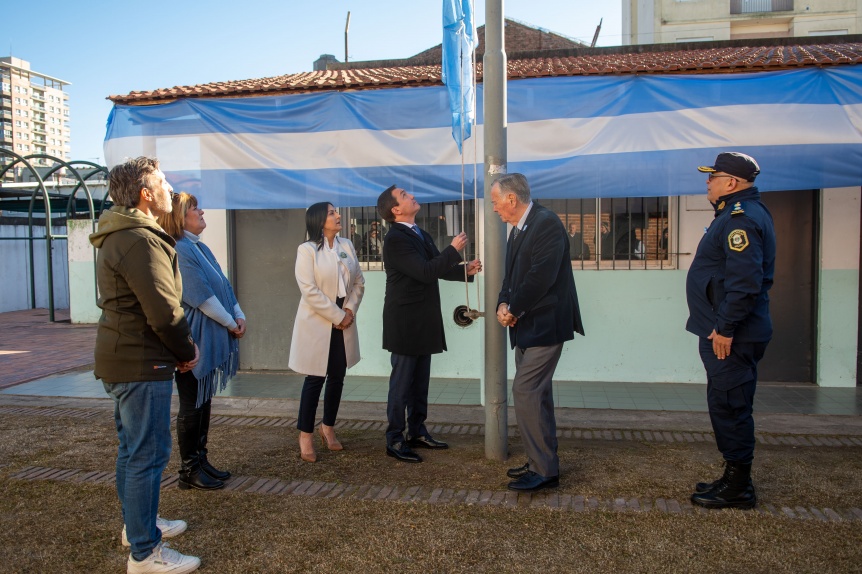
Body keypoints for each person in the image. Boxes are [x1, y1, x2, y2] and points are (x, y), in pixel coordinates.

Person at [90, 157, 201, 573]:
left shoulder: (126, 233)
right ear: (145, 194)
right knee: (146, 454)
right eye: (164, 182)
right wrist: (187, 350)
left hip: (129, 359)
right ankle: (144, 552)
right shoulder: (139, 239)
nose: (171, 189)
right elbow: (164, 312)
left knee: (133, 450)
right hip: (140, 362)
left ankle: (138, 524)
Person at [686, 152, 775, 510]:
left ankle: (738, 487)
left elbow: (744, 283)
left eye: (713, 176)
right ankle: (733, 476)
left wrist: (724, 328)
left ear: (732, 183)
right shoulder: (735, 213)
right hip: (724, 331)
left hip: (730, 335)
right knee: (726, 403)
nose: (707, 181)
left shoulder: (741, 219)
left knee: (731, 405)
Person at [491, 173, 584, 492]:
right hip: (525, 324)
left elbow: (539, 277)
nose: (494, 209)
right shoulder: (517, 230)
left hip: (545, 324)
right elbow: (512, 277)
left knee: (526, 391)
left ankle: (544, 469)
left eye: (495, 202)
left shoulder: (546, 223)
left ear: (511, 199)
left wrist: (513, 309)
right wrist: (503, 303)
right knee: (537, 395)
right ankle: (540, 462)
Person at [377, 185, 481, 463]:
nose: (411, 195)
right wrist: (453, 249)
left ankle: (417, 431)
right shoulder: (395, 239)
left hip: (423, 318)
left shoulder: (419, 233)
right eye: (404, 195)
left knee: (420, 381)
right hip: (405, 320)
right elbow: (424, 272)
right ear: (395, 209)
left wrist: (465, 270)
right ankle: (395, 438)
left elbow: (438, 267)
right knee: (402, 383)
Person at [157, 192, 245, 491]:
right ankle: (189, 470)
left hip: (209, 336)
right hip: (193, 340)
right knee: (192, 404)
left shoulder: (200, 248)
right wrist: (232, 324)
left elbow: (223, 286)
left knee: (202, 401)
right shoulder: (180, 249)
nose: (202, 211)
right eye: (195, 209)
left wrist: (238, 313)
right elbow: (202, 297)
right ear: (180, 217)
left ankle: (201, 461)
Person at [288, 202, 365, 462]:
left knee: (337, 376)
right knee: (315, 379)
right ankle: (305, 434)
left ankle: (328, 427)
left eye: (336, 212)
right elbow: (309, 290)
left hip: (345, 319)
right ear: (320, 220)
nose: (338, 215)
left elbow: (358, 282)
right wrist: (336, 315)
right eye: (332, 213)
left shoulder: (346, 245)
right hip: (319, 320)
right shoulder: (306, 250)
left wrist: (349, 311)